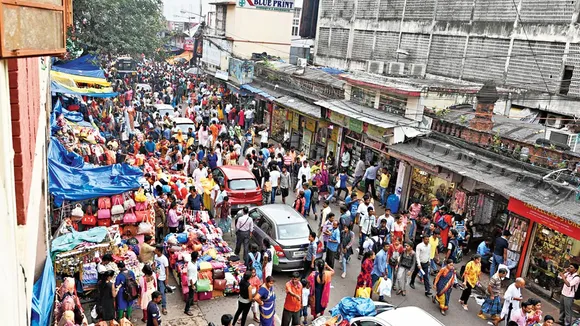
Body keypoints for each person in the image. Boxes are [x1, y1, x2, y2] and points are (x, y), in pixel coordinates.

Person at [153, 246, 169, 315]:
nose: (155, 251)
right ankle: (158, 301)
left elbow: (166, 269)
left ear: (159, 251)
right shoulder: (155, 256)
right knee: (157, 290)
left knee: (162, 293)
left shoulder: (164, 259)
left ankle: (164, 307)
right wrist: (153, 267)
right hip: (156, 276)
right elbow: (154, 264)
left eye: (156, 250)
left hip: (162, 277)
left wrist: (167, 278)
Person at [184, 251, 199, 316]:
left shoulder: (193, 262)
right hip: (191, 282)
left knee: (192, 294)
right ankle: (186, 310)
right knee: (190, 296)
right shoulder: (191, 266)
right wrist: (192, 285)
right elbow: (190, 278)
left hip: (194, 280)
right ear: (196, 258)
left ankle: (192, 303)